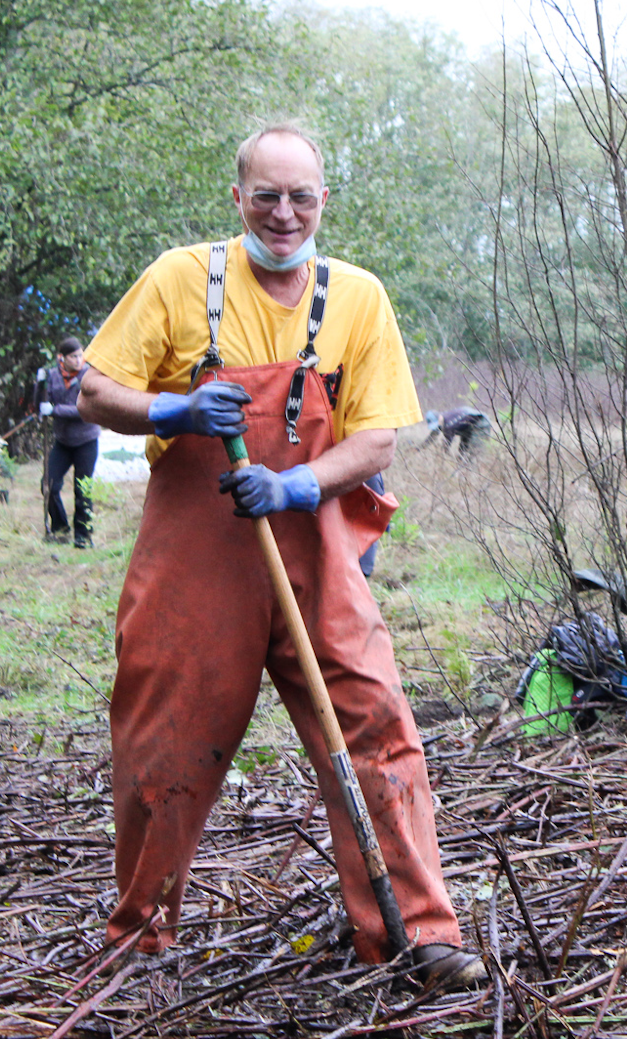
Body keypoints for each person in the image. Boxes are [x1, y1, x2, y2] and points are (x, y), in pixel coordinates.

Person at [77, 123, 484, 988]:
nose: (285, 213)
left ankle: (419, 932)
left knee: (378, 726)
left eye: (301, 196)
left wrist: (299, 487)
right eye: (267, 195)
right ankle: (139, 942)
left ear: (324, 199)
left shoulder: (359, 298)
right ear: (237, 198)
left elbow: (376, 438)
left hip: (315, 557)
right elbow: (96, 387)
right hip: (198, 567)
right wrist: (174, 412)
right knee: (163, 738)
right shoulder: (180, 279)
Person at [36, 337, 97, 546]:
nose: (79, 360)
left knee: (83, 490)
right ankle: (60, 529)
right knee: (48, 485)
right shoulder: (52, 375)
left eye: (81, 355)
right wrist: (40, 384)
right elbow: (42, 403)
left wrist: (55, 410)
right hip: (63, 441)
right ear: (61, 358)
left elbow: (87, 409)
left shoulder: (89, 375)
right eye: (74, 356)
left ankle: (83, 536)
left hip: (86, 440)